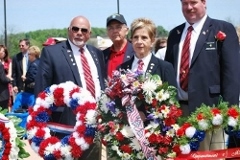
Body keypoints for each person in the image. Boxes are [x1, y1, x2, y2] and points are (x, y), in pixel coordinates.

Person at [164, 0, 239, 152]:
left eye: (193, 2)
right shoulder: (174, 34)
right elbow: (169, 74)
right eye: (185, 3)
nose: (189, 7)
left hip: (211, 114)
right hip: (179, 113)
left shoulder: (223, 29)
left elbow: (232, 75)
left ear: (204, 3)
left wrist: (229, 114)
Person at [34, 15, 106, 160]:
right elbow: (41, 91)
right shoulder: (52, 53)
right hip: (65, 129)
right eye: (75, 29)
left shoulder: (97, 53)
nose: (79, 32)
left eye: (84, 30)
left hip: (93, 127)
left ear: (89, 34)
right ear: (69, 30)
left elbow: (101, 85)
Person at [118, 17, 176, 121]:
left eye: (144, 38)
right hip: (128, 131)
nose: (139, 42)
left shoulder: (165, 68)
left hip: (155, 130)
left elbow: (173, 104)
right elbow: (117, 101)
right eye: (135, 37)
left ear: (152, 41)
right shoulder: (122, 69)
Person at [103, 13, 134, 78]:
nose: (115, 31)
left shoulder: (135, 52)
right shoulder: (103, 55)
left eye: (118, 27)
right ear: (107, 32)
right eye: (111, 28)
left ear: (127, 30)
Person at [0, 45, 13, 110]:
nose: (3, 53)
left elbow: (9, 74)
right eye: (2, 52)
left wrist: (7, 77)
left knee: (9, 103)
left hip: (7, 84)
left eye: (5, 52)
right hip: (4, 81)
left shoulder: (8, 61)